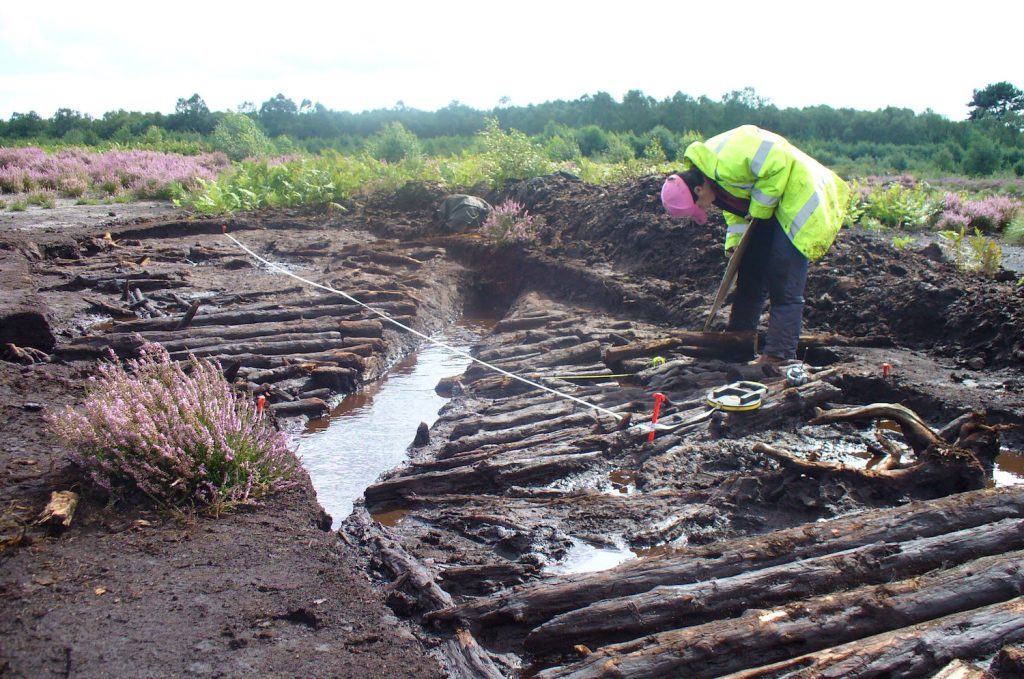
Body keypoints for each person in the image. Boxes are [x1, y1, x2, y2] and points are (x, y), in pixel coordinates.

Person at [661, 124, 850, 364]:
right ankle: (739, 342)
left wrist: (758, 212)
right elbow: (736, 208)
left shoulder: (724, 165)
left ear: (698, 189)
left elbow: (778, 161)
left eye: (698, 206)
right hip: (772, 206)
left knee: (783, 277)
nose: (704, 209)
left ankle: (778, 355)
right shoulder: (712, 177)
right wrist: (736, 242)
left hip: (801, 196)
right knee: (749, 270)